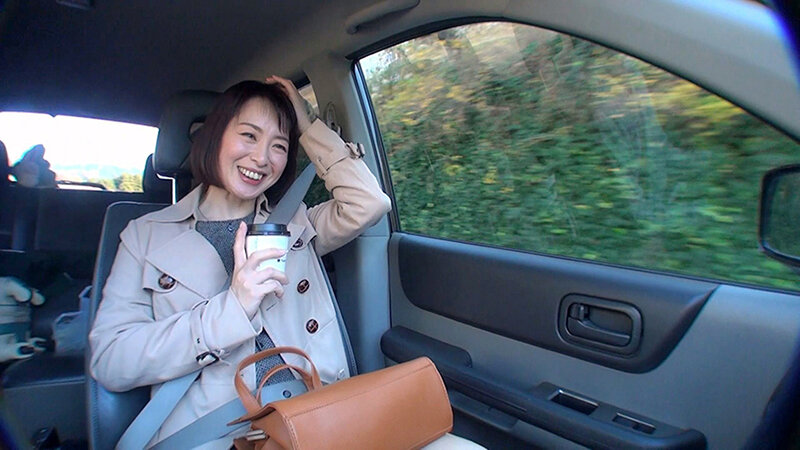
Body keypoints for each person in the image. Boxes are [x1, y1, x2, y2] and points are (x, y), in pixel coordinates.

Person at [88, 76, 392, 447]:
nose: (262, 158)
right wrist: (230, 311)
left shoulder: (296, 223)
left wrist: (309, 124)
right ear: (215, 136)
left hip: (316, 422)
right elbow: (111, 360)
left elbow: (369, 203)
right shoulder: (145, 235)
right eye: (249, 135)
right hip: (215, 436)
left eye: (279, 145)